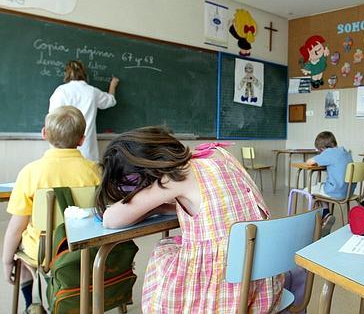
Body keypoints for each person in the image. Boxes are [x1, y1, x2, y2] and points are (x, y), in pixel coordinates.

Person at [96, 127, 282, 313]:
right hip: (260, 275)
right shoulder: (217, 154)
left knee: (163, 251)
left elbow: (111, 220)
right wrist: (158, 206)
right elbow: (209, 208)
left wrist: (149, 208)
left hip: (225, 288)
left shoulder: (177, 176)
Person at [2, 106, 100, 308]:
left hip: (45, 251)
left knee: (21, 249)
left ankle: (32, 304)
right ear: (82, 139)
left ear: (44, 133)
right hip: (86, 246)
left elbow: (16, 227)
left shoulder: (30, 172)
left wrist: (6, 261)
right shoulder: (95, 171)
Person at [49, 60, 120, 162]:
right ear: (83, 73)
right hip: (87, 148)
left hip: (63, 148)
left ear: (67, 73)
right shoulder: (91, 91)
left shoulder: (61, 91)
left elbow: (52, 117)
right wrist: (113, 85)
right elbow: (110, 101)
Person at [305, 131, 353, 199]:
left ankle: (323, 209)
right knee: (321, 186)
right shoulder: (345, 152)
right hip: (348, 192)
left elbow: (309, 162)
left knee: (307, 190)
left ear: (322, 149)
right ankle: (325, 209)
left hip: (334, 192)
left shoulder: (329, 152)